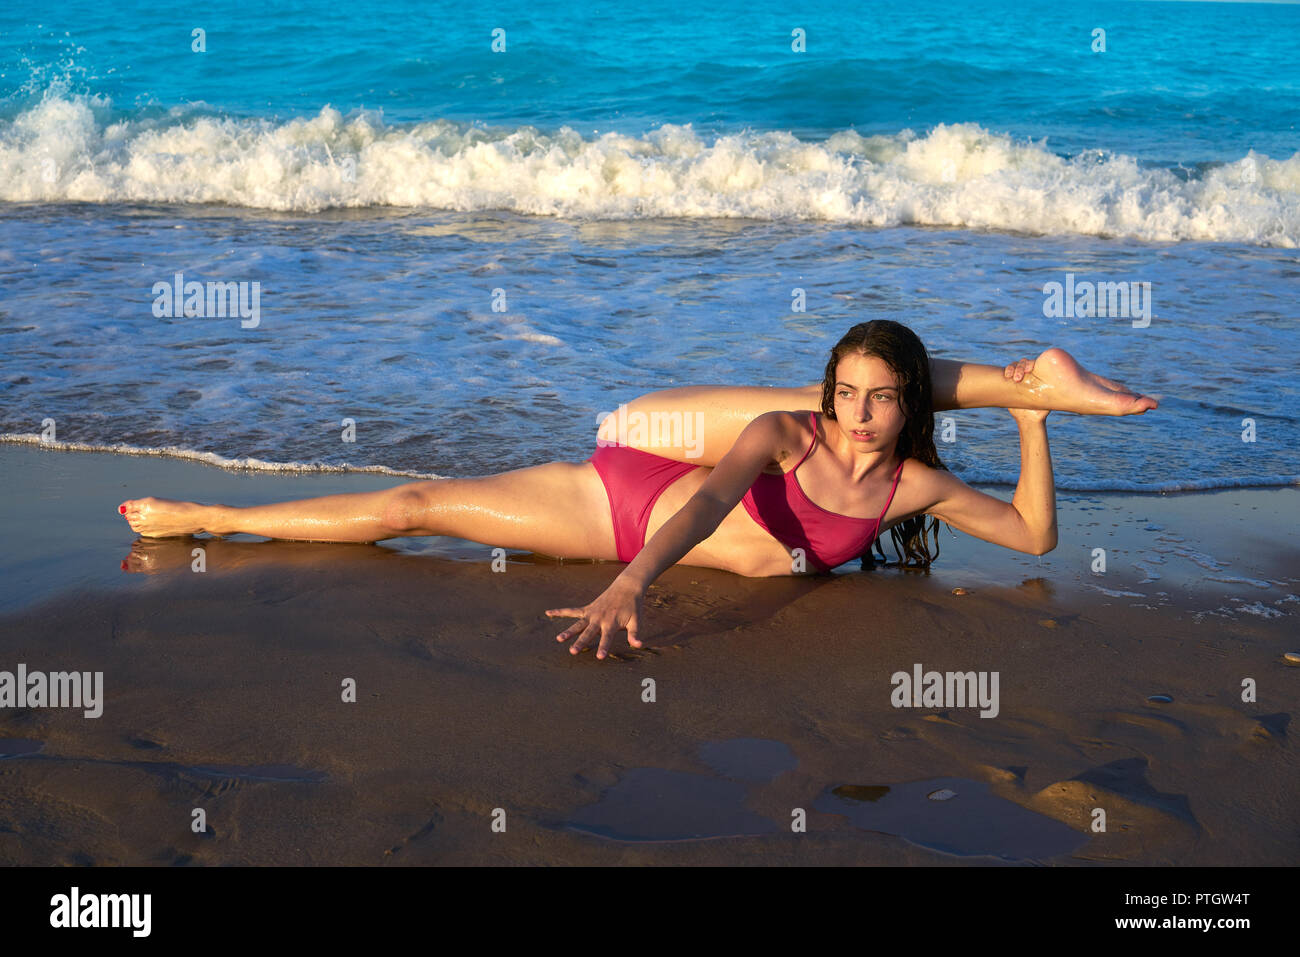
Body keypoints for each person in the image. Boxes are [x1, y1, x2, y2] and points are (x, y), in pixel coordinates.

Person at [119, 321, 1157, 659]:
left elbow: (1031, 539)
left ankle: (1034, 377)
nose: (858, 414)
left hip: (628, 520)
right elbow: (705, 506)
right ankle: (211, 515)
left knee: (416, 514)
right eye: (850, 395)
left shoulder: (914, 486)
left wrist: (1033, 425)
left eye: (879, 402)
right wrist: (636, 584)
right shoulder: (794, 430)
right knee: (414, 509)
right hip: (626, 498)